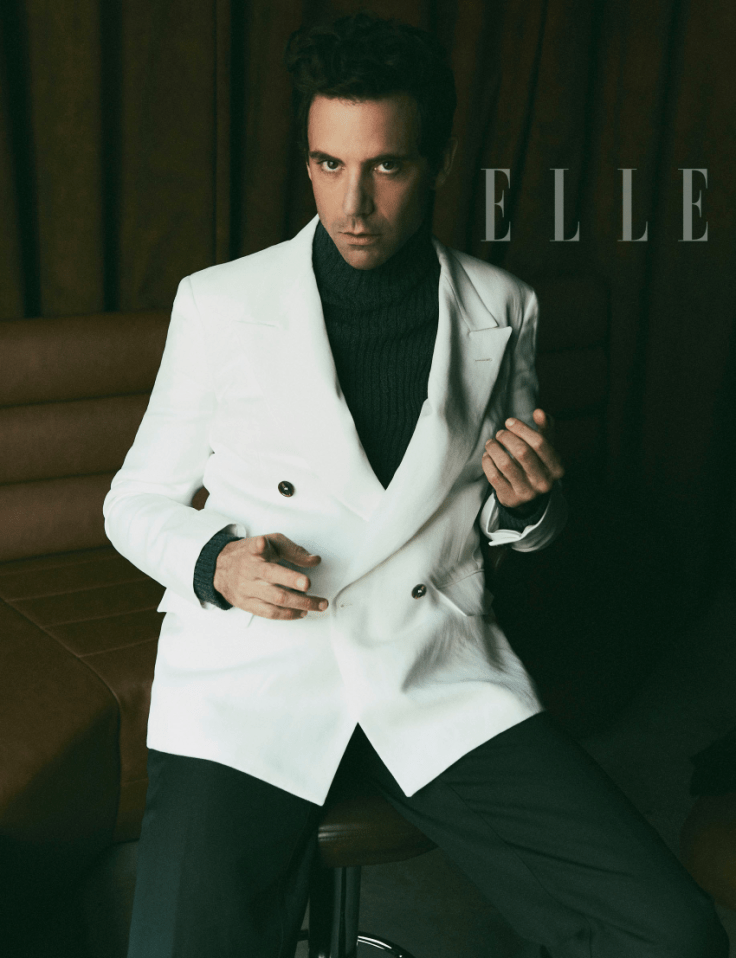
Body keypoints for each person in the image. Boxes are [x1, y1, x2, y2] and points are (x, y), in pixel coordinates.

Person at [104, 13, 728, 958]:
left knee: (670, 932)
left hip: (430, 666)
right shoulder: (221, 302)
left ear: (436, 164)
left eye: (385, 167)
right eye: (328, 165)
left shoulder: (503, 307)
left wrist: (528, 506)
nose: (352, 203)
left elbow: (508, 515)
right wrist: (216, 563)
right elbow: (132, 501)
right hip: (253, 677)